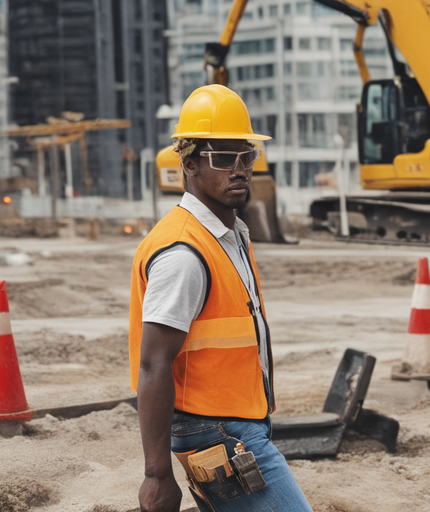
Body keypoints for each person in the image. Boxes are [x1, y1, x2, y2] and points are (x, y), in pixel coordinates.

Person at [128, 84, 312, 512]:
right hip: (219, 434)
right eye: (223, 157)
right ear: (189, 164)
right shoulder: (183, 253)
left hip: (236, 423)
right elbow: (153, 363)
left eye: (247, 155)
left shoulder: (230, 236)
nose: (240, 168)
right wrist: (157, 476)